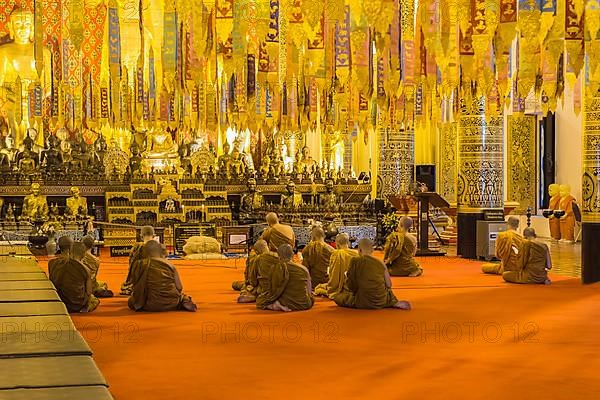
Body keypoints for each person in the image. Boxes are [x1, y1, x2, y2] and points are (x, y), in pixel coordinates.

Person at [333, 239, 411, 310]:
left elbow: (351, 285)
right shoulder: (380, 263)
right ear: (372, 250)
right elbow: (389, 285)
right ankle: (392, 302)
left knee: (337, 297)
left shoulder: (354, 261)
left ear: (359, 250)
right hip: (381, 301)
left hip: (362, 302)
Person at [128, 240, 197, 312]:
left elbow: (135, 285)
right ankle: (183, 301)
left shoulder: (138, 265)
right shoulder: (169, 265)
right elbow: (179, 287)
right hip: (171, 303)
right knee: (182, 297)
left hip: (146, 304)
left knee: (130, 302)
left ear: (144, 252)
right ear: (159, 251)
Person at [49, 242, 99, 313]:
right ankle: (86, 307)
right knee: (94, 300)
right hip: (77, 304)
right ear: (84, 254)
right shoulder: (85, 269)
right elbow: (89, 292)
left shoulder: (53, 263)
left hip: (59, 299)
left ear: (70, 251)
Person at [314, 233, 358, 298]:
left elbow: (333, 274)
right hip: (352, 286)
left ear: (337, 244)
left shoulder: (336, 254)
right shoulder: (356, 254)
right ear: (348, 243)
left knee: (318, 288)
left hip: (338, 286)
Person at [276, 244, 314, 311]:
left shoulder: (276, 269)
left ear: (278, 256)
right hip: (303, 304)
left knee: (264, 301)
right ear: (293, 254)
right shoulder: (303, 269)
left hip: (284, 302)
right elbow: (309, 290)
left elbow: (272, 291)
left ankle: (281, 306)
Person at [120, 225, 156, 295]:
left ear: (141, 236)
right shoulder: (160, 248)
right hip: (155, 281)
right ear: (154, 236)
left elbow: (131, 265)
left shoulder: (136, 248)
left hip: (138, 279)